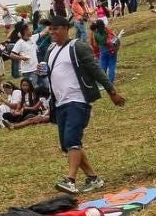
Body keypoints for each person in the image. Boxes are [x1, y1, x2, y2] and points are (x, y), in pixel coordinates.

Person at [45, 17, 125, 193]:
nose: (52, 32)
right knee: (67, 144)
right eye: (50, 29)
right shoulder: (50, 49)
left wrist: (112, 92)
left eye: (55, 28)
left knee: (72, 140)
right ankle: (93, 178)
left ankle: (70, 180)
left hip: (78, 100)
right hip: (59, 103)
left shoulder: (77, 47)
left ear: (66, 28)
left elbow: (95, 70)